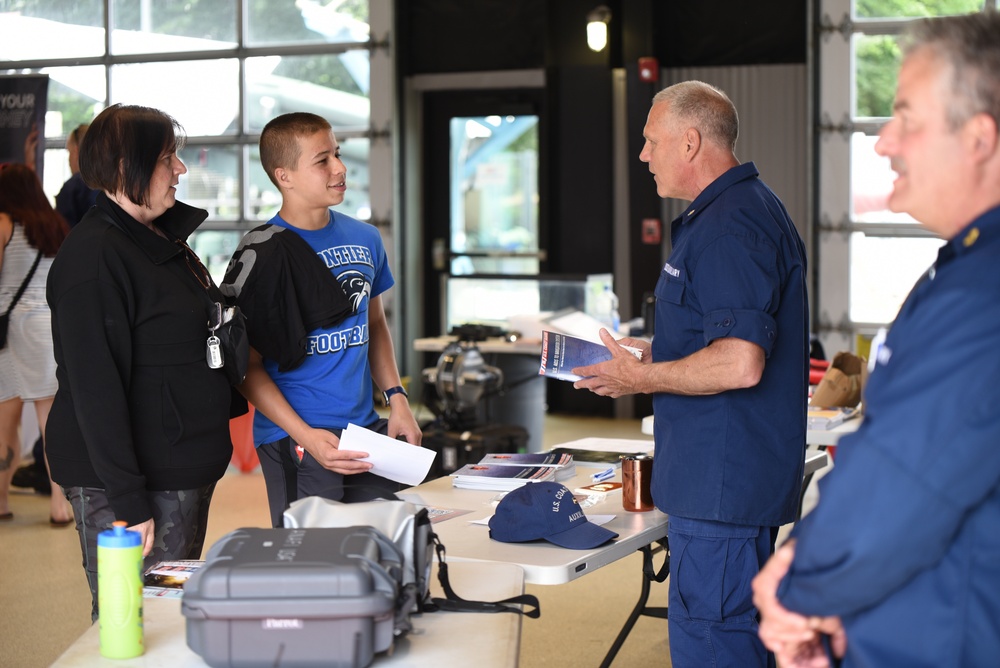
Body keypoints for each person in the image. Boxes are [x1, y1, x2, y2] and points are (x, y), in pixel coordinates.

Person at [753, 12, 1000, 668]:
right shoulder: (964, 268)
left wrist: (796, 586)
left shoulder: (985, 292)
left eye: (906, 118)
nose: (884, 142)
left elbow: (901, 481)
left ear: (979, 138)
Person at [573, 81, 808, 667]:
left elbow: (740, 361)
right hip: (722, 482)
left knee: (714, 644)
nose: (643, 155)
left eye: (652, 141)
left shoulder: (730, 227)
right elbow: (720, 338)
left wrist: (638, 381)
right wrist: (656, 353)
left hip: (721, 490)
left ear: (690, 140)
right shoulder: (736, 211)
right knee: (729, 635)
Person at [45, 105, 239, 620]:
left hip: (176, 461)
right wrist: (128, 502)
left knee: (170, 610)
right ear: (126, 165)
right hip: (129, 480)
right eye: (166, 159)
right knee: (133, 619)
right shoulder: (94, 258)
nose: (180, 170)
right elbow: (95, 388)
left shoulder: (156, 238)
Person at [222, 112, 421, 528]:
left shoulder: (366, 237)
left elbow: (375, 326)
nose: (340, 168)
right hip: (299, 439)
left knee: (382, 551)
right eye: (322, 160)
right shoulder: (261, 254)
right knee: (309, 566)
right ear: (284, 176)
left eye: (338, 154)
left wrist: (397, 398)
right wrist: (305, 436)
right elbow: (246, 368)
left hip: (364, 432)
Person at [0, 163, 72, 526]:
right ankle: (60, 506)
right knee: (50, 422)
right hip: (48, 328)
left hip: (12, 332)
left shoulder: (3, 224)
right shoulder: (54, 225)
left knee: (5, 420)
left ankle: (0, 500)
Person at [54, 123, 99, 227]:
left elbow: (62, 232)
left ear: (76, 150)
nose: (69, 160)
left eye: (69, 152)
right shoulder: (111, 184)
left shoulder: (73, 188)